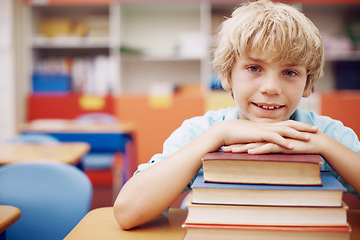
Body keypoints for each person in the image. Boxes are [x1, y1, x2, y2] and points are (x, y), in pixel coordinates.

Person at [113, 0, 360, 230]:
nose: (271, 88)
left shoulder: (328, 134)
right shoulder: (202, 131)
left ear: (308, 83)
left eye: (290, 72)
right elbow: (127, 212)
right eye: (254, 68)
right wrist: (219, 135)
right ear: (226, 75)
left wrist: (324, 146)